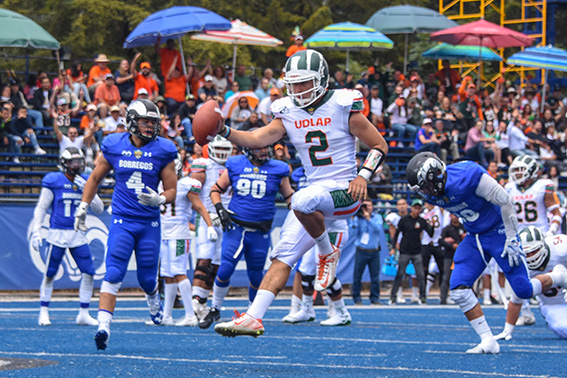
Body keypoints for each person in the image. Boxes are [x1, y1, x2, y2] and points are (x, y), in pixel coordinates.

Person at [212, 49, 388, 337]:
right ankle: (253, 317)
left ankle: (325, 252)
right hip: (316, 196)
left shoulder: (343, 105)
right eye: (293, 83)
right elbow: (257, 137)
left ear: (320, 80)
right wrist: (225, 130)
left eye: (304, 82)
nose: (297, 89)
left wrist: (363, 175)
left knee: (302, 199)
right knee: (282, 256)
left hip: (344, 192)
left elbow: (380, 145)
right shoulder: (287, 111)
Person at [406, 151, 567, 353]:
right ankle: (488, 340)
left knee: (523, 290)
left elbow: (506, 201)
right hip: (475, 236)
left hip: (500, 231)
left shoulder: (467, 175)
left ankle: (558, 276)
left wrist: (511, 236)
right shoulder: (432, 192)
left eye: (427, 185)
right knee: (458, 288)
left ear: (437, 174)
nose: (426, 191)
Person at [74, 99, 178, 350]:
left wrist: (160, 198)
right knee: (114, 271)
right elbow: (95, 178)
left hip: (149, 222)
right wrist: (83, 206)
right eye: (145, 121)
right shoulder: (114, 144)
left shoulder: (164, 148)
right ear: (132, 120)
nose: (150, 126)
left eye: (153, 122)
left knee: (146, 278)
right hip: (122, 219)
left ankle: (153, 296)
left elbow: (173, 188)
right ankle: (103, 326)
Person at [198, 143, 294, 329]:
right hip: (236, 227)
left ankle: (252, 313)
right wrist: (220, 209)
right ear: (249, 149)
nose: (264, 150)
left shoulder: (278, 168)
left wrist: (300, 213)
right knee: (225, 269)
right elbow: (215, 189)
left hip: (260, 231)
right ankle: (215, 307)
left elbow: (289, 196)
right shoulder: (236, 164)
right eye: (260, 148)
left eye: (267, 147)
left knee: (256, 274)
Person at [31, 147, 104, 326]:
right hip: (57, 233)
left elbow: (99, 208)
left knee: (89, 272)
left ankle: (84, 313)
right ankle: (44, 311)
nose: (78, 165)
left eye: (79, 161)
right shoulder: (54, 180)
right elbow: (42, 207)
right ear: (65, 164)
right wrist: (36, 230)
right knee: (50, 273)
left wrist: (87, 188)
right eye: (74, 162)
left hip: (78, 234)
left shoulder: (86, 180)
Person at [159, 155, 217, 326]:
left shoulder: (185, 184)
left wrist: (210, 226)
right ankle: (167, 316)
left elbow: (199, 206)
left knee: (178, 272)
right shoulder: (158, 185)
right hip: (163, 235)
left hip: (179, 234)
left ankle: (190, 315)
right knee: (167, 275)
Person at [505, 154, 562, 325]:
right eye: (515, 170)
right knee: (519, 275)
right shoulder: (509, 188)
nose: (517, 174)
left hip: (541, 236)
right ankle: (526, 312)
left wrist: (552, 230)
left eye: (521, 170)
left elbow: (556, 212)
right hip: (519, 239)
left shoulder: (543, 186)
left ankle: (554, 305)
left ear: (531, 170)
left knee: (548, 272)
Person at [189, 136, 234, 321]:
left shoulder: (233, 165)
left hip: (226, 217)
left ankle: (203, 300)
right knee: (205, 258)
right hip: (207, 216)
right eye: (219, 148)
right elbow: (190, 194)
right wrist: (207, 216)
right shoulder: (203, 165)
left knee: (218, 262)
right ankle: (194, 301)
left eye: (226, 148)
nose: (222, 153)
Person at [495, 226, 567, 341]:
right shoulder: (521, 266)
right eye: (527, 253)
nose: (531, 257)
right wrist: (507, 330)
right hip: (553, 304)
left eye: (534, 251)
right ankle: (557, 277)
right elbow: (516, 299)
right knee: (563, 328)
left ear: (543, 245)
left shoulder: (561, 247)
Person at [390, 199, 434, 305]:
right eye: (415, 208)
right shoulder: (404, 220)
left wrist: (431, 225)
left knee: (420, 275)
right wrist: (393, 248)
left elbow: (430, 234)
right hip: (405, 251)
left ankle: (422, 297)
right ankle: (393, 296)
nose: (417, 210)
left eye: (419, 208)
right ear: (412, 208)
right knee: (400, 274)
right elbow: (396, 234)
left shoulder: (422, 221)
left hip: (417, 251)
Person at [350, 199, 387, 305]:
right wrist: (353, 219)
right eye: (365, 206)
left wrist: (368, 218)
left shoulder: (377, 217)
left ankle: (374, 298)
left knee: (375, 277)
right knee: (357, 276)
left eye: (369, 205)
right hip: (361, 250)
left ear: (372, 207)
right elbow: (353, 233)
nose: (367, 208)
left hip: (374, 251)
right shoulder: (358, 218)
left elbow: (378, 229)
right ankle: (357, 298)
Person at [438, 214, 466, 304]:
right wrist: (451, 245)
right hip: (449, 255)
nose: (455, 217)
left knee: (462, 277)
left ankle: (460, 296)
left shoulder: (463, 227)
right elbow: (440, 241)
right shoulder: (447, 229)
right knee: (446, 277)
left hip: (461, 255)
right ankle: (443, 297)